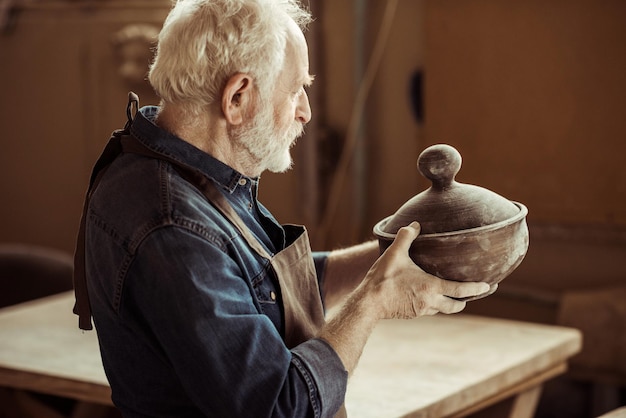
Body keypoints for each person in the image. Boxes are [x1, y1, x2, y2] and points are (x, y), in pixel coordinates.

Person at [72, 1, 491, 417]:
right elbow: (280, 407)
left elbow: (265, 289)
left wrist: (392, 255)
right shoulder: (172, 224)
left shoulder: (185, 166)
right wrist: (375, 300)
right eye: (295, 90)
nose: (305, 110)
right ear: (237, 97)